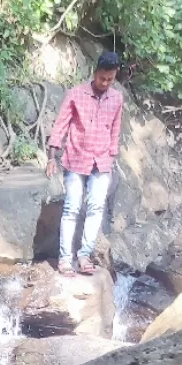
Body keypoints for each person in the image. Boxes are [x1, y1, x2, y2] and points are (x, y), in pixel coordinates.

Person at [46, 52, 124, 277]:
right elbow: (60, 126)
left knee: (96, 207)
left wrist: (112, 154)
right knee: (72, 208)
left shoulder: (117, 99)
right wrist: (51, 156)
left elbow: (115, 128)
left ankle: (84, 254)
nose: (106, 83)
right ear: (95, 72)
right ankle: (65, 259)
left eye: (110, 79)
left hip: (102, 161)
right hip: (76, 159)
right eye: (102, 78)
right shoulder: (75, 94)